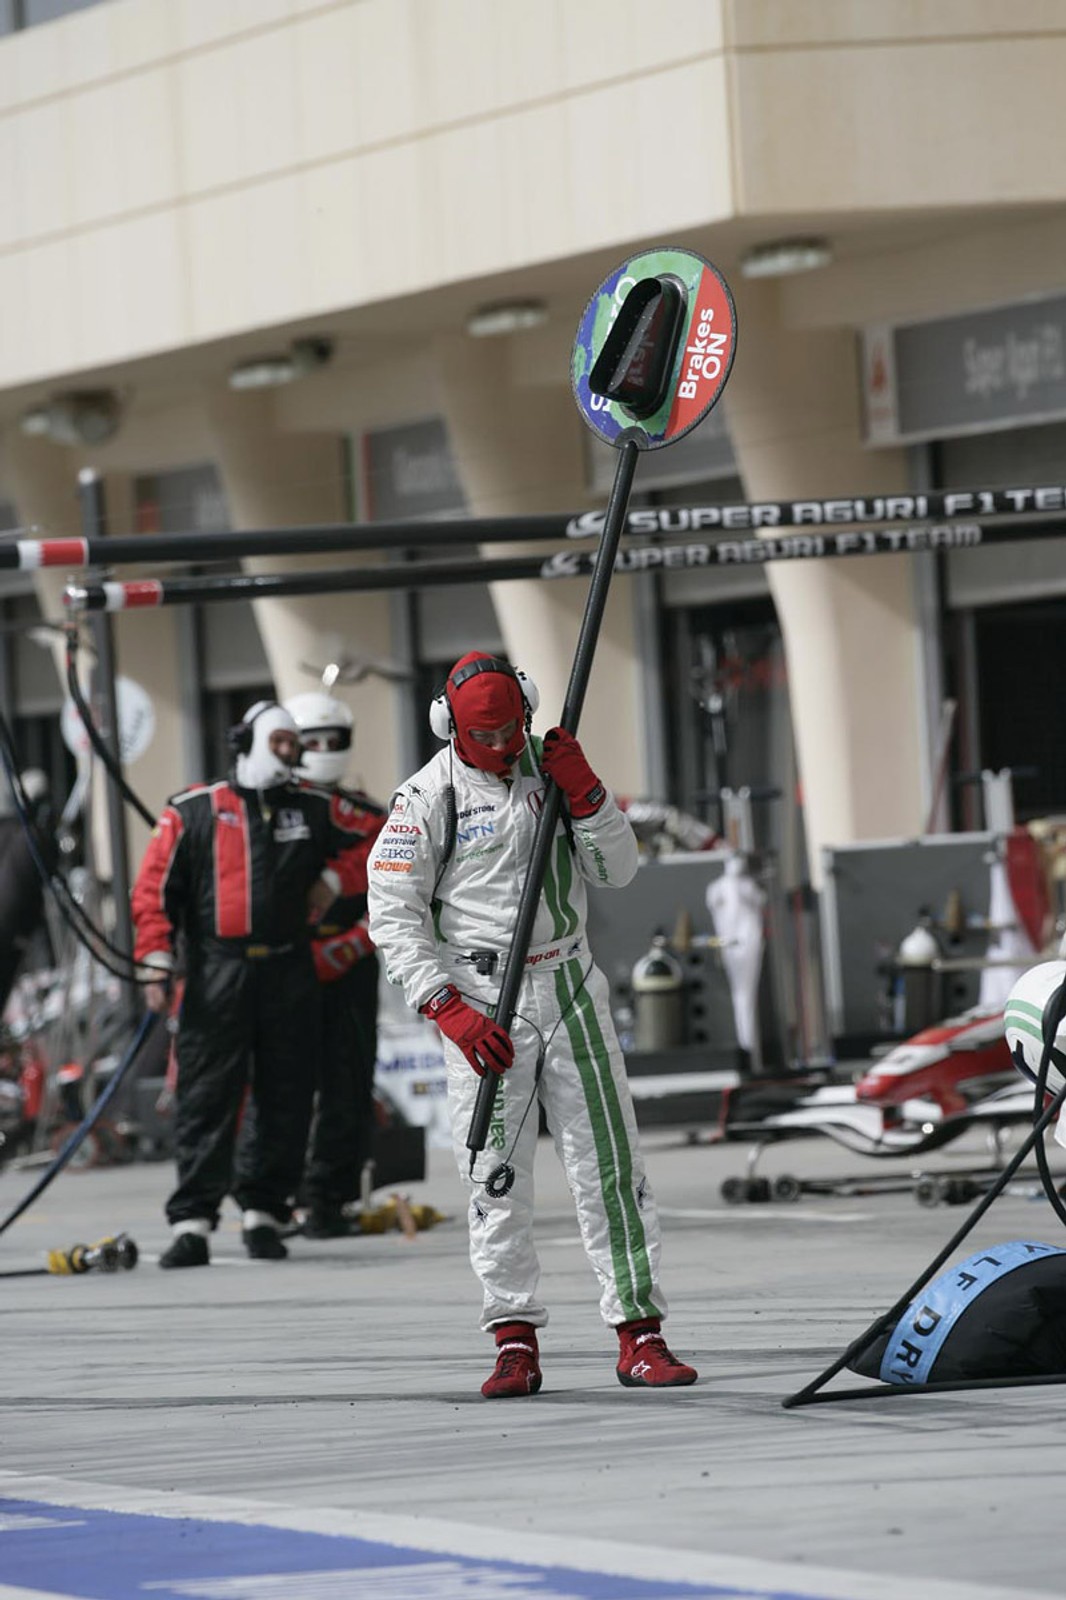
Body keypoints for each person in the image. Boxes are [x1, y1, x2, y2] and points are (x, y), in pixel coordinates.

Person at [367, 651, 697, 1398]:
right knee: (494, 1177)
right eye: (486, 734)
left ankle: (639, 1335)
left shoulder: (555, 766)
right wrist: (444, 1006)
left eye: (513, 726)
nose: (505, 745)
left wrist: (589, 798)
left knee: (610, 1168)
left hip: (571, 981)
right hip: (480, 1002)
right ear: (449, 725)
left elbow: (618, 872)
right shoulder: (423, 800)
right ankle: (514, 1339)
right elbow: (392, 917)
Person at [131, 700, 366, 1269]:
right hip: (216, 971)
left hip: (289, 969)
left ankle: (265, 1214)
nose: (292, 752)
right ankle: (192, 1222)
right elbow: (153, 891)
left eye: (295, 744)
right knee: (206, 1096)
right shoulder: (193, 810)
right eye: (282, 742)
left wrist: (334, 878)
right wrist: (156, 961)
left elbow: (387, 837)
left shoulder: (313, 806)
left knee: (286, 1094)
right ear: (249, 741)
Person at [284, 690, 386, 1237]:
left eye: (332, 740)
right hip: (284, 966)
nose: (323, 750)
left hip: (347, 964)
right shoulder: (267, 808)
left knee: (348, 1081)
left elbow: (401, 878)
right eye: (311, 740)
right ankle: (276, 1196)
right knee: (282, 1083)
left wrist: (350, 942)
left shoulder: (371, 816)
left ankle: (329, 1197)